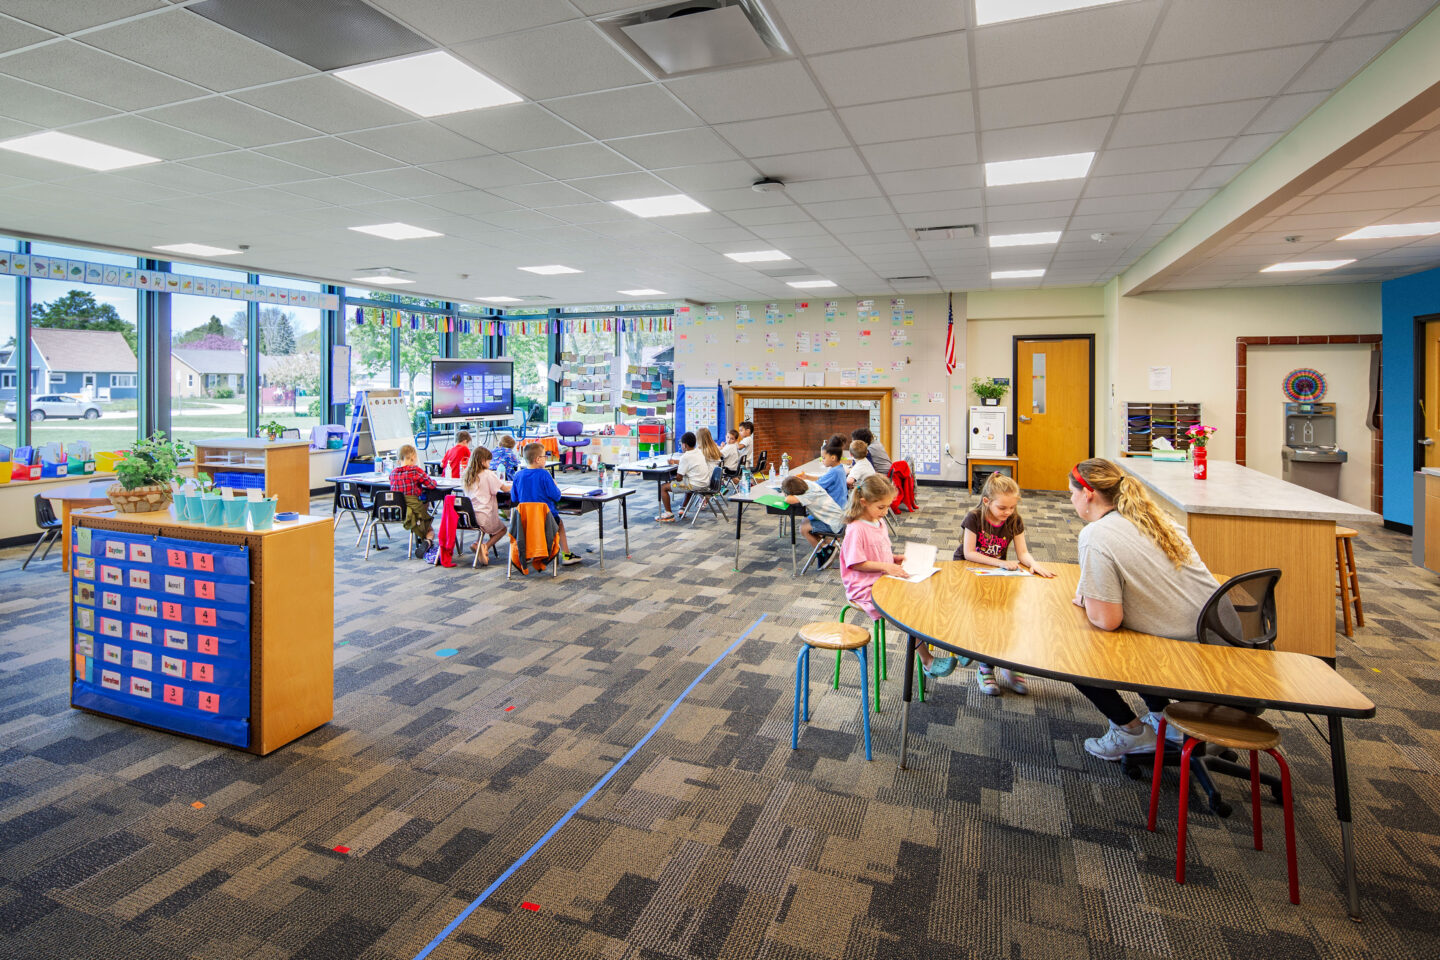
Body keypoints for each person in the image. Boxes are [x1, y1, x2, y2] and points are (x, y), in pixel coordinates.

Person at [1067, 457, 1220, 760]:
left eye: (1071, 492)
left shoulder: (1096, 535)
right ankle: (1167, 721)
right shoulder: (1157, 520)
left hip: (1188, 662)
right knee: (1140, 628)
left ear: (1088, 494)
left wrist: (1090, 603)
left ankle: (1130, 731)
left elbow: (1107, 620)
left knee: (1074, 650)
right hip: (1222, 649)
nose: (1070, 500)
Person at [839, 475, 956, 678]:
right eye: (881, 507)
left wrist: (893, 559)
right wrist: (887, 566)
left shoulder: (878, 522)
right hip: (865, 587)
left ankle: (953, 644)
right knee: (907, 608)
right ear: (864, 502)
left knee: (927, 593)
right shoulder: (856, 529)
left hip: (884, 577)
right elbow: (856, 562)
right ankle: (927, 660)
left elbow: (875, 553)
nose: (886, 512)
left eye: (888, 506)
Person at [955, 473, 1055, 697]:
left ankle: (1010, 663)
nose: (1008, 513)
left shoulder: (1013, 519)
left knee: (1008, 616)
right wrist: (1001, 563)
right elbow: (969, 553)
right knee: (984, 618)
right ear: (987, 501)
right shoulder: (973, 517)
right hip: (968, 570)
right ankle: (985, 667)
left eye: (1012, 507)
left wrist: (1033, 564)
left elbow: (1023, 552)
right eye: (1003, 508)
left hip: (996, 571)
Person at [512, 442, 582, 565]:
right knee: (559, 524)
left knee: (531, 528)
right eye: (545, 456)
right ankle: (566, 554)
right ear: (538, 459)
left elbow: (514, 498)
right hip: (546, 520)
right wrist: (555, 485)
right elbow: (556, 496)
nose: (546, 459)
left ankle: (528, 554)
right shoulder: (544, 474)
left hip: (525, 521)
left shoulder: (518, 475)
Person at [779, 475, 845, 567]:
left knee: (803, 529)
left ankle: (822, 552)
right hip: (836, 518)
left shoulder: (807, 496)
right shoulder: (809, 484)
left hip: (833, 524)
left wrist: (787, 493)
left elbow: (788, 499)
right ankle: (826, 547)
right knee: (805, 520)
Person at [462, 445, 511, 565]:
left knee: (484, 527)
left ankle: (477, 544)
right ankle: (485, 546)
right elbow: (504, 489)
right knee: (503, 529)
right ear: (483, 461)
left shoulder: (467, 475)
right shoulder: (488, 474)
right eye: (489, 461)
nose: (490, 463)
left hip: (467, 517)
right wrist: (515, 485)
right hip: (483, 516)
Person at [388, 444, 438, 558]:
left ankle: (422, 538)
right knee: (430, 530)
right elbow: (431, 485)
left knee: (421, 506)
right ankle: (428, 541)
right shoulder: (415, 470)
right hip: (414, 508)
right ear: (413, 457)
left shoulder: (393, 473)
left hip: (400, 511)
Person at [657, 431, 710, 522]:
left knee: (663, 487)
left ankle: (669, 514)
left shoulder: (685, 457)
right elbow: (689, 462)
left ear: (684, 445)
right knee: (687, 480)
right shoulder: (698, 452)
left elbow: (679, 478)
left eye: (681, 444)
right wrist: (676, 462)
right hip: (704, 483)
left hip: (693, 485)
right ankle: (683, 508)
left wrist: (671, 478)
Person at [798, 435, 847, 508]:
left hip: (835, 508)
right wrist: (807, 477)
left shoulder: (834, 472)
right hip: (841, 505)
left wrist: (799, 484)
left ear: (833, 458)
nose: (822, 460)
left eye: (824, 458)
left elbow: (816, 486)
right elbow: (823, 478)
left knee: (806, 519)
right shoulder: (839, 468)